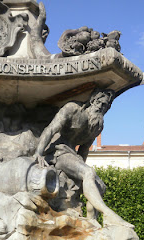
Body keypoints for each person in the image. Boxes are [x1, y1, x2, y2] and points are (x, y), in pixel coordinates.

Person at [34, 88, 133, 227]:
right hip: (58, 152)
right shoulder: (72, 109)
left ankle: (92, 225)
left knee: (100, 186)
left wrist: (79, 174)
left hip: (73, 157)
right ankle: (108, 213)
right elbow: (51, 129)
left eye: (106, 107)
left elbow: (84, 149)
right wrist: (38, 152)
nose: (102, 108)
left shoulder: (97, 125)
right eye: (100, 104)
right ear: (93, 100)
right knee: (89, 173)